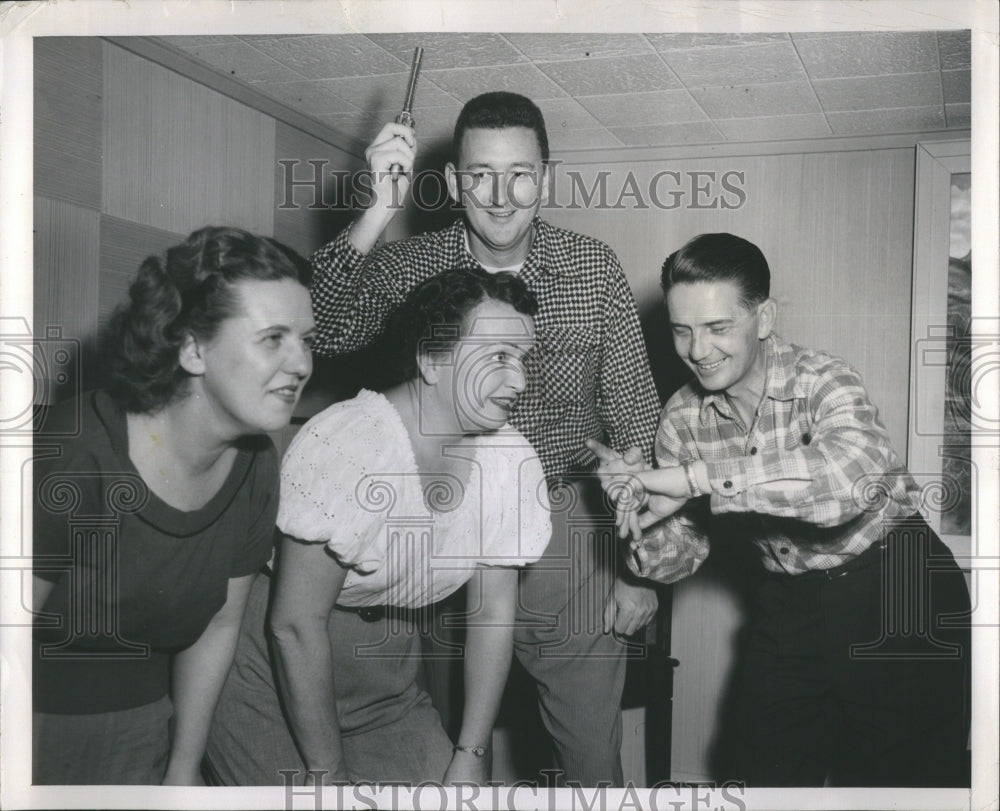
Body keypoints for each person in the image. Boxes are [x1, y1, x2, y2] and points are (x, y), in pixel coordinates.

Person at [306, 91, 662, 786]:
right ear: (453, 181)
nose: (500, 196)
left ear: (547, 178)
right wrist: (377, 208)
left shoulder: (594, 269)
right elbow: (324, 329)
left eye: (520, 174)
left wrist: (636, 567)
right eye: (479, 175)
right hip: (435, 519)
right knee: (441, 748)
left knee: (591, 758)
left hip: (567, 530)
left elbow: (636, 420)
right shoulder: (412, 264)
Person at [590, 232, 971, 787]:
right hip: (790, 602)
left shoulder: (824, 379)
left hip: (898, 588)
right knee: (758, 777)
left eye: (719, 327)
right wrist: (637, 517)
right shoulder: (680, 420)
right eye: (682, 329)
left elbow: (849, 479)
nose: (698, 349)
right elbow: (682, 553)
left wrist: (697, 479)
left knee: (902, 787)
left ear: (764, 318)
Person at [203, 267, 551, 786]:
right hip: (272, 674)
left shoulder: (510, 460)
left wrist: (472, 751)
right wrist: (328, 772)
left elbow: (494, 612)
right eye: (498, 356)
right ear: (433, 359)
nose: (519, 380)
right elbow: (293, 626)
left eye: (523, 359)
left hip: (387, 681)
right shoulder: (349, 443)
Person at [31, 226, 315, 785]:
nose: (302, 363)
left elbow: (219, 622)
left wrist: (184, 763)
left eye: (308, 339)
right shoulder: (72, 450)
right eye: (273, 337)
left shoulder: (258, 464)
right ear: (190, 347)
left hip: (147, 718)